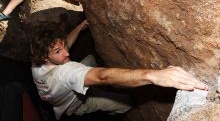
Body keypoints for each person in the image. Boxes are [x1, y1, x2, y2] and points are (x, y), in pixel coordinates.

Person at [30, 20, 209, 120]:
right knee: (126, 103)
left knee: (91, 59)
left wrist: (79, 26)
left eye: (62, 47)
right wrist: (152, 75)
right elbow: (102, 76)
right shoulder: (64, 73)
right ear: (46, 57)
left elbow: (63, 45)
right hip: (79, 103)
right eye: (58, 51)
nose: (67, 53)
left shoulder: (37, 62)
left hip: (57, 99)